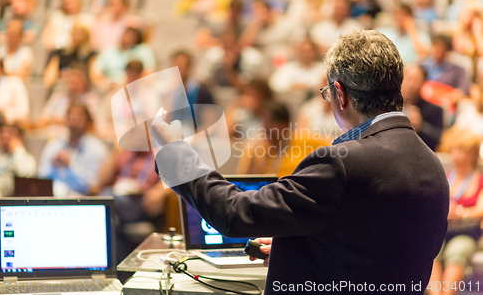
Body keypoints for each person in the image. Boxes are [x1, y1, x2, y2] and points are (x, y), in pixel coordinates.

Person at [150, 30, 449, 294]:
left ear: (340, 94)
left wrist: (174, 151)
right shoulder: (432, 166)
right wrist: (294, 250)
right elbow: (376, 253)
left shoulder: (341, 164)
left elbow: (235, 213)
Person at [429, 129, 483, 295]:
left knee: (457, 252)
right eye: (454, 150)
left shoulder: (479, 180)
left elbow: (480, 211)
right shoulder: (445, 177)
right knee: (430, 250)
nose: (455, 155)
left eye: (461, 151)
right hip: (443, 230)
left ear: (472, 155)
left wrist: (460, 213)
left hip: (466, 232)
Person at [38, 104, 109, 197]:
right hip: (51, 198)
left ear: (87, 122)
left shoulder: (97, 149)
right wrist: (53, 166)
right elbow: (40, 178)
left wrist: (69, 167)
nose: (74, 122)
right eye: (71, 118)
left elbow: (94, 187)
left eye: (79, 118)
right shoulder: (54, 145)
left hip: (81, 200)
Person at [0, 121, 36, 211]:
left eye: (10, 134)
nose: (5, 136)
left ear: (20, 138)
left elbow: (26, 175)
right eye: (2, 133)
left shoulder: (24, 157)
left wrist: (18, 148)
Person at [196, 29, 264, 88]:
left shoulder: (252, 59)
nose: (228, 51)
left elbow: (247, 89)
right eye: (225, 46)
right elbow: (202, 82)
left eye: (231, 45)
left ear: (239, 45)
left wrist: (230, 69)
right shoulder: (212, 56)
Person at [402, 65, 444, 151]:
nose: (410, 84)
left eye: (415, 80)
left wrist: (421, 127)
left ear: (423, 83)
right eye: (408, 78)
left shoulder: (435, 110)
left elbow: (440, 140)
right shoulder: (390, 107)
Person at [43, 24, 97, 89]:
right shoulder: (59, 54)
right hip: (62, 89)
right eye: (74, 33)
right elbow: (48, 80)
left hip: (83, 92)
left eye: (80, 34)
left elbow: (95, 78)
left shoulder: (90, 55)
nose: (76, 37)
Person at [0, 54, 30, 126]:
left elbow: (24, 112)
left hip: (6, 128)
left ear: (1, 69)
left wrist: (1, 112)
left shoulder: (14, 83)